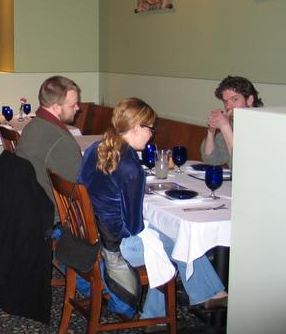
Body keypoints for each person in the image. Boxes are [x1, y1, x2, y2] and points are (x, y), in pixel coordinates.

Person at [78, 97, 227, 319]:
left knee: (166, 237)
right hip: (117, 247)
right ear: (136, 127)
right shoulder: (131, 167)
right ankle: (207, 295)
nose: (152, 134)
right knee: (179, 242)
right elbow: (133, 227)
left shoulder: (95, 149)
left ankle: (157, 315)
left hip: (89, 235)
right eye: (150, 128)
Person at [15, 76, 82, 210]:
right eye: (73, 105)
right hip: (55, 212)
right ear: (56, 107)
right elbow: (79, 188)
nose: (78, 108)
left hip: (28, 204)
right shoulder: (62, 140)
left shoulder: (32, 126)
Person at [201, 76, 263, 168]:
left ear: (250, 100)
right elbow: (211, 160)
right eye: (225, 101)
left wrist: (225, 127)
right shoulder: (232, 123)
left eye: (235, 99)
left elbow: (244, 167)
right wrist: (211, 131)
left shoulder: (262, 126)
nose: (228, 106)